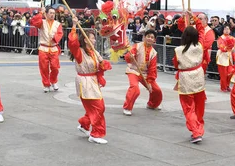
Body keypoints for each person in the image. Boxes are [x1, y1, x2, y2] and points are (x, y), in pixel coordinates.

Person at [69, 16, 112, 145]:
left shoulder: (94, 52)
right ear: (86, 39)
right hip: (85, 82)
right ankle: (96, 133)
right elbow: (72, 43)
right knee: (98, 107)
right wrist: (74, 26)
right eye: (91, 37)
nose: (93, 39)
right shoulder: (79, 52)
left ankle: (84, 124)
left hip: (93, 81)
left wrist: (103, 64)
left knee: (96, 107)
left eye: (94, 37)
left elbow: (101, 66)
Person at [173, 12, 208, 144]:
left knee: (189, 108)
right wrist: (194, 19)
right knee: (199, 107)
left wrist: (188, 17)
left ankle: (196, 131)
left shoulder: (178, 50)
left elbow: (176, 65)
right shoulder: (200, 46)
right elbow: (202, 31)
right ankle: (199, 128)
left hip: (186, 79)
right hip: (198, 77)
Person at [122, 29, 163, 116]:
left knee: (156, 90)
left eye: (152, 37)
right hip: (133, 70)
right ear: (144, 37)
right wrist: (130, 56)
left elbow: (152, 69)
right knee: (135, 88)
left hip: (144, 73)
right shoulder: (137, 46)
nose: (150, 39)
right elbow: (128, 56)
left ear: (154, 40)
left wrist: (150, 82)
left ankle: (152, 104)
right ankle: (127, 107)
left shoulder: (154, 53)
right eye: (148, 36)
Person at [30, 8, 63, 92]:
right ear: (47, 14)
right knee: (44, 68)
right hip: (43, 48)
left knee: (55, 67)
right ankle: (46, 84)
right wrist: (41, 12)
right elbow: (34, 21)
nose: (52, 15)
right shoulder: (42, 22)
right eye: (51, 13)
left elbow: (60, 33)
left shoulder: (57, 24)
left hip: (53, 48)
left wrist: (55, 39)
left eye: (53, 13)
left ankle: (53, 81)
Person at [216, 25, 235, 92]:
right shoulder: (220, 38)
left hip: (229, 57)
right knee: (223, 74)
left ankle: (227, 85)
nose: (227, 30)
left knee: (230, 72)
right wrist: (229, 48)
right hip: (222, 57)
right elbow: (222, 48)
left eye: (228, 29)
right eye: (225, 29)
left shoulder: (232, 38)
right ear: (223, 30)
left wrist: (233, 48)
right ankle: (223, 87)